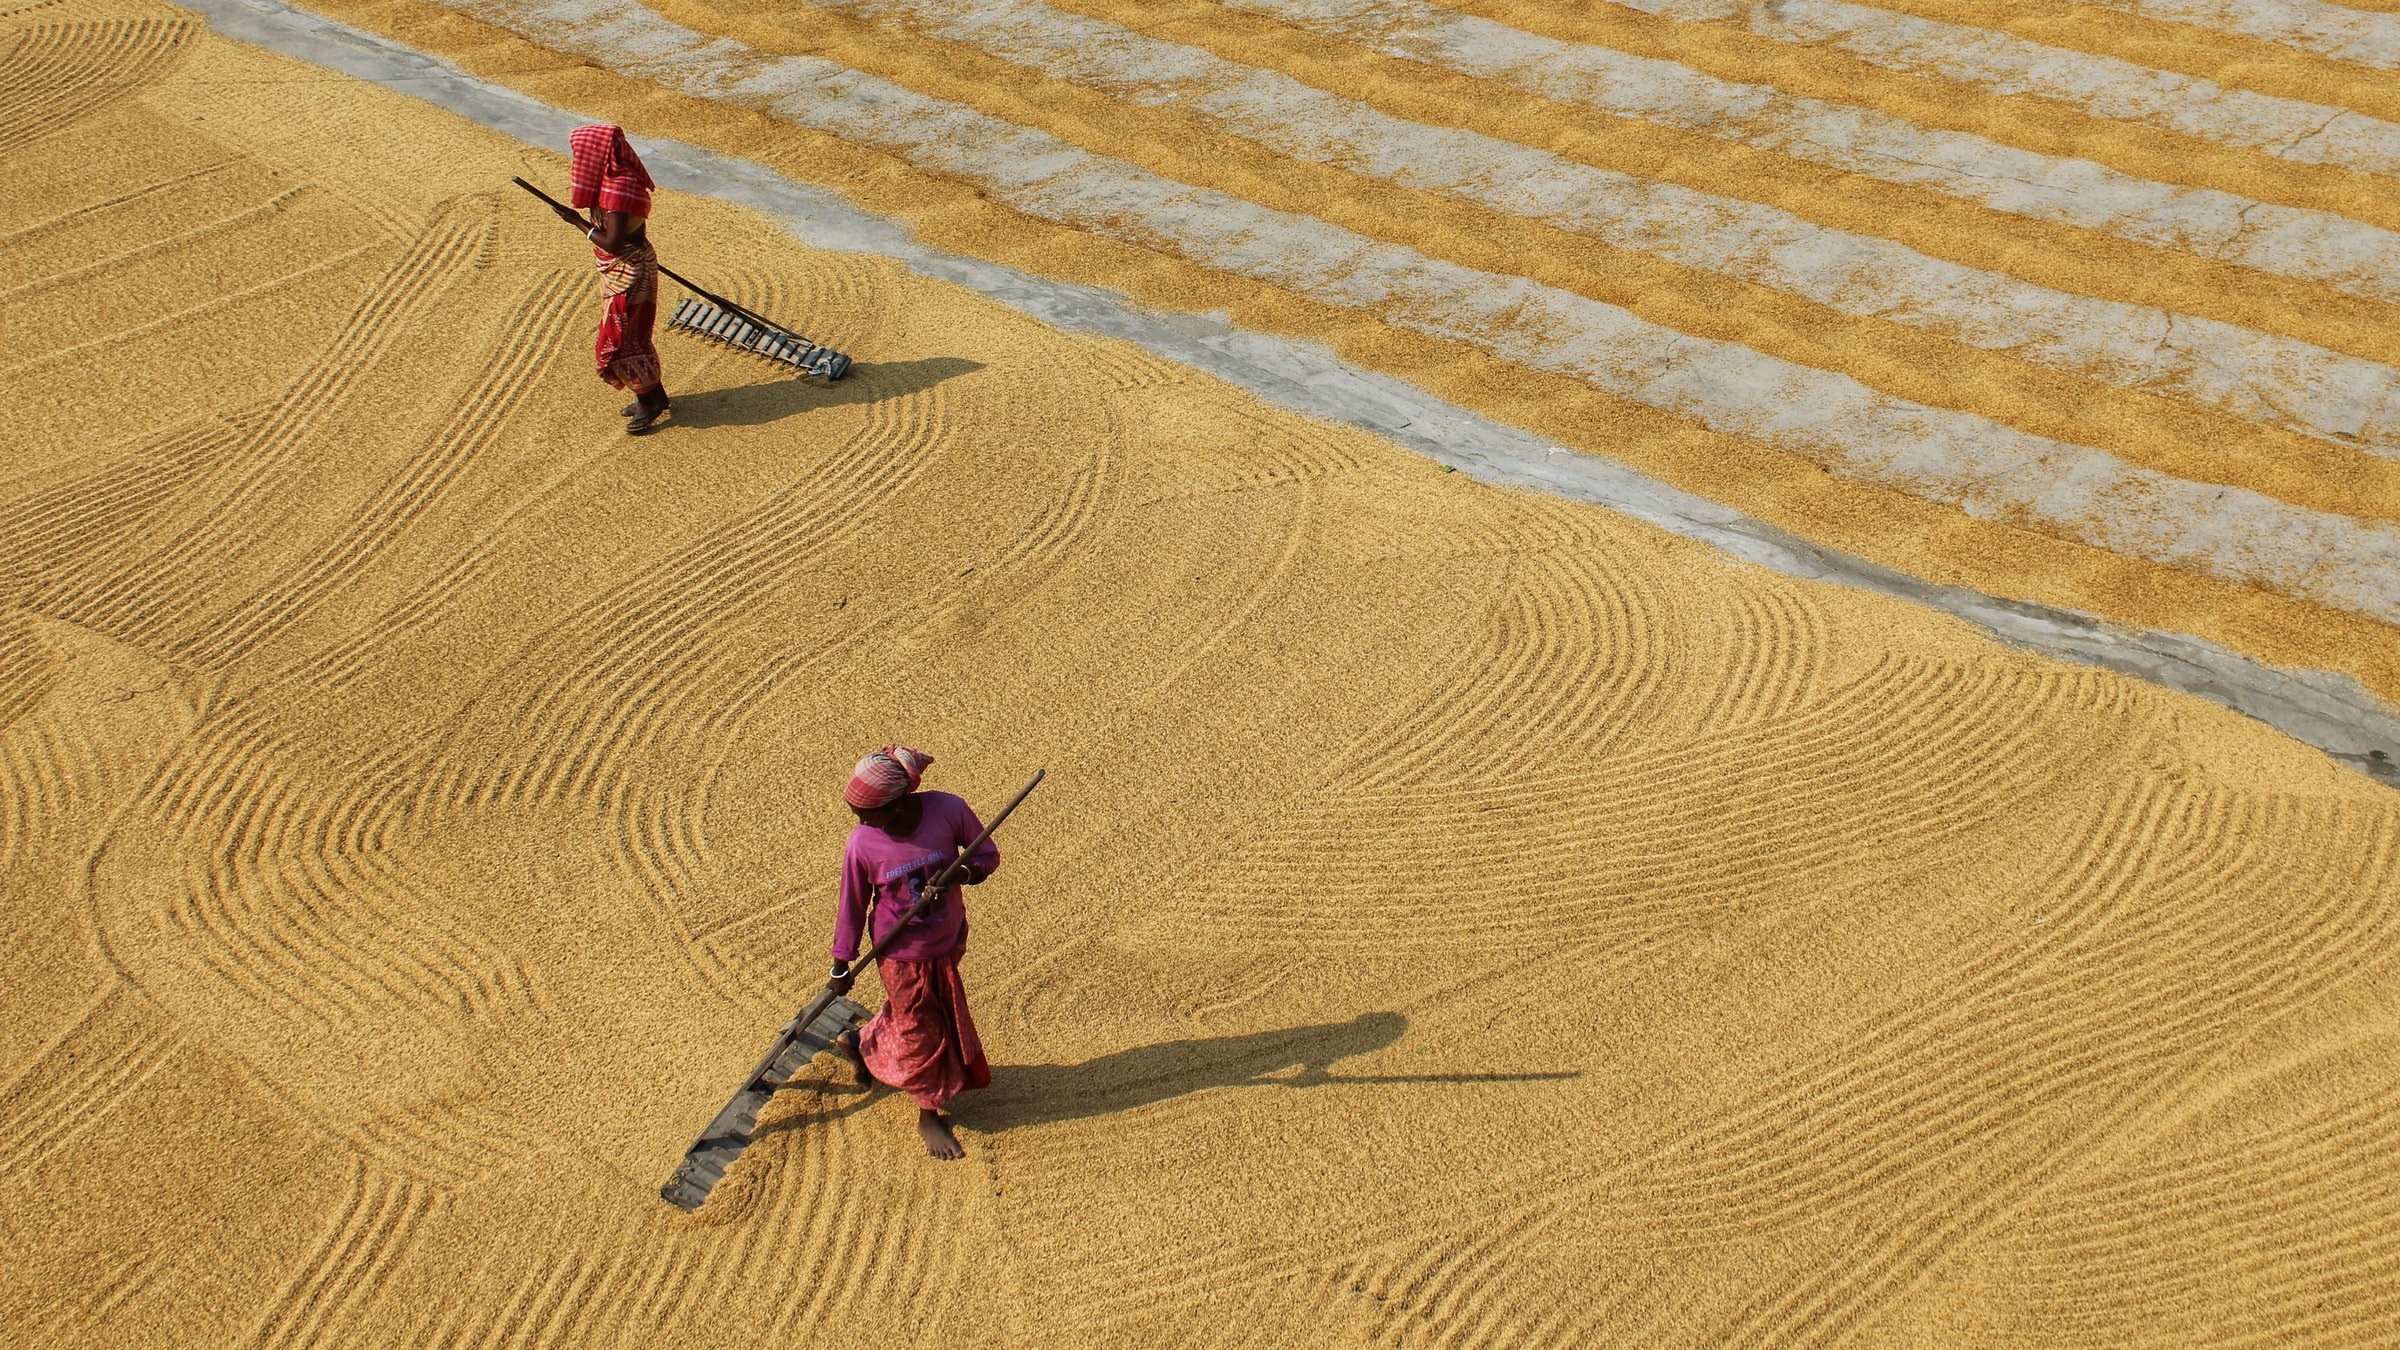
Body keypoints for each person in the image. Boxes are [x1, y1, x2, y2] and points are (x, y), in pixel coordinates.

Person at [827, 746, 999, 1159]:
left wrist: (960, 871)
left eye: (870, 813)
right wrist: (840, 962)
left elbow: (986, 857)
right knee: (921, 1029)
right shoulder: (863, 844)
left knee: (925, 1014)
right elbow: (851, 904)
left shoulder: (948, 810)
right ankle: (928, 1111)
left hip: (949, 937)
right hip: (901, 954)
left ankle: (859, 1041)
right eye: (857, 814)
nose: (863, 822)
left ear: (901, 802)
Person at [547, 124, 671, 434]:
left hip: (629, 274)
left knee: (619, 341)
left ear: (597, 153)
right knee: (632, 335)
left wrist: (576, 222)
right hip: (625, 270)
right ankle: (654, 395)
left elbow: (614, 244)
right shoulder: (612, 180)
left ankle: (648, 402)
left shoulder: (618, 188)